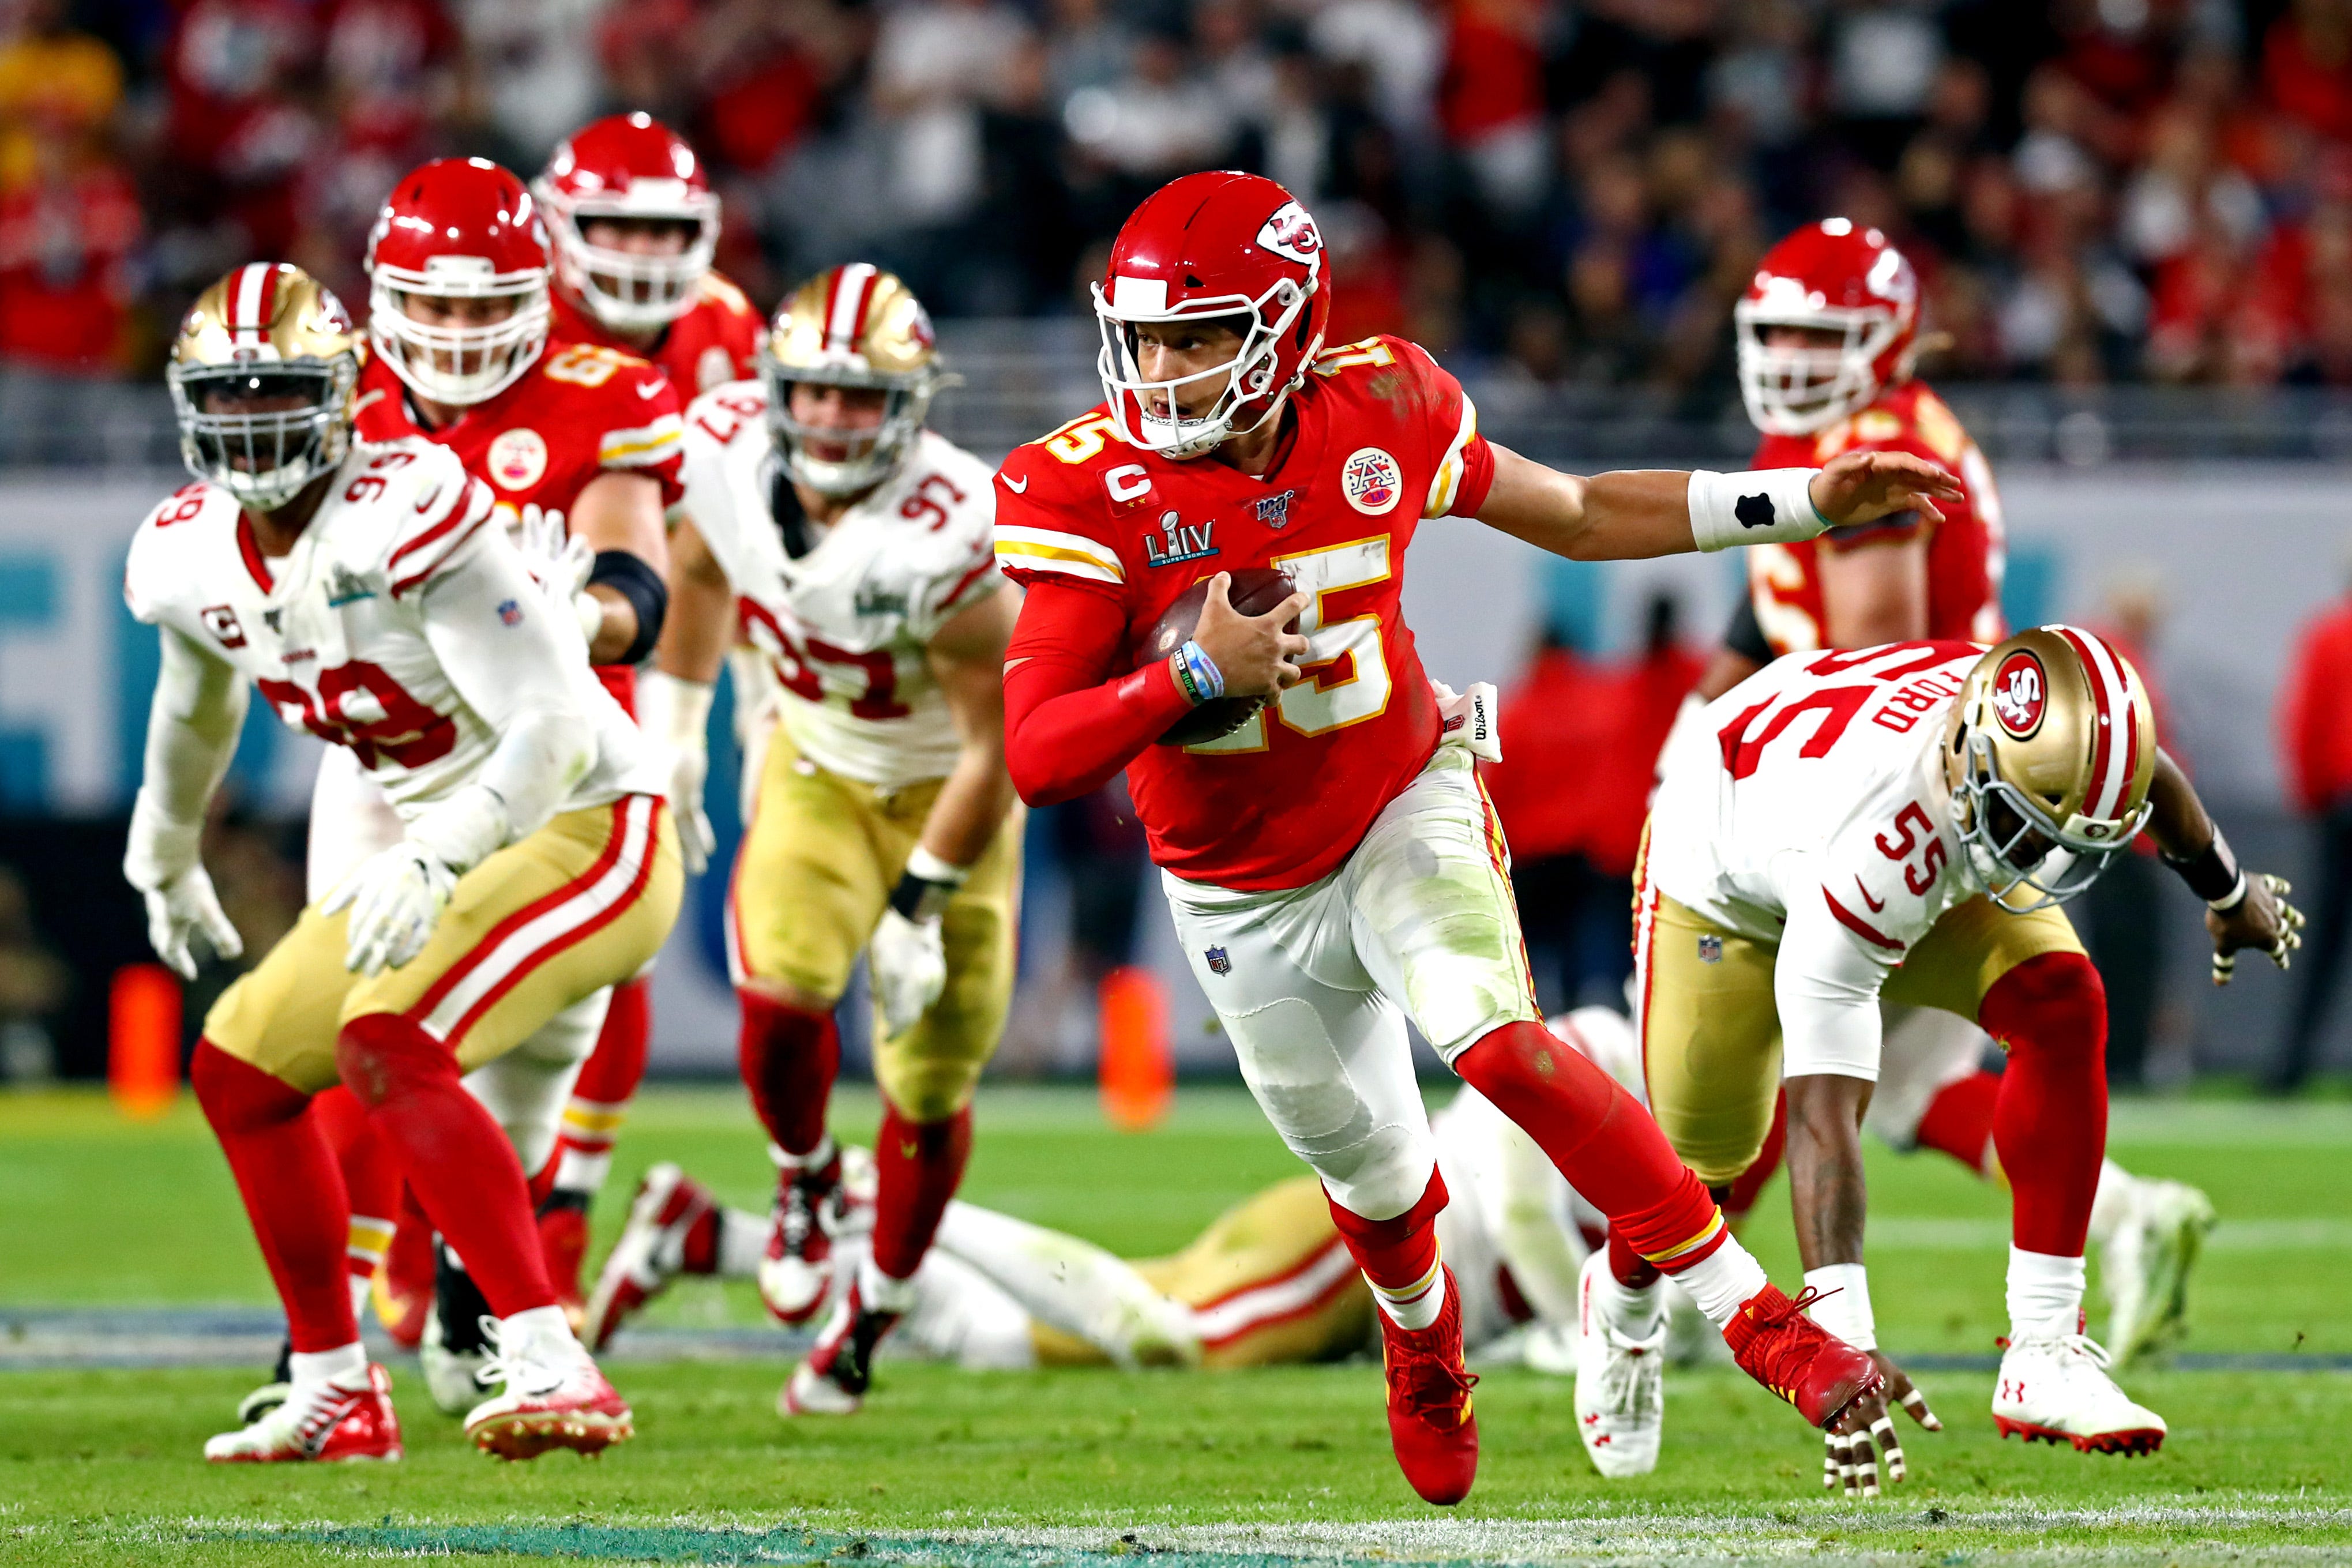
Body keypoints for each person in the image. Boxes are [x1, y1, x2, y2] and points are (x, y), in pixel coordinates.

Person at [986, 169, 1964, 1505]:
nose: (1160, 369)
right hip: (1234, 892)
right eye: (1145, 336)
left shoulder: (1380, 403)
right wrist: (1190, 679)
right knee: (1379, 1183)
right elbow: (1036, 753)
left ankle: (1761, 1324)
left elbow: (1570, 512)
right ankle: (1422, 1342)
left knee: (1498, 1037)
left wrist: (1798, 499)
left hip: (1398, 798)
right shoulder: (1079, 489)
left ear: (1285, 327)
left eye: (1200, 335)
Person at [123, 262, 681, 1462]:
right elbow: (191, 710)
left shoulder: (412, 501)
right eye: (226, 396)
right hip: (443, 838)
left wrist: (435, 861)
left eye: (279, 390)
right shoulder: (185, 549)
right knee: (237, 1069)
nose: (252, 421)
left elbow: (557, 726)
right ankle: (335, 1386)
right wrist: (163, 855)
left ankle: (549, 1358)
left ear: (341, 394)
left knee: (387, 1039)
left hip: (590, 825)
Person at [1683, 218, 2216, 1363]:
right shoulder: (1837, 436)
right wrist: (1708, 706)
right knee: (1915, 1087)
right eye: (1772, 329)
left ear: (1887, 341)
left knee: (1806, 1068)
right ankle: (2121, 1218)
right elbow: (1773, 605)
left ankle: (1685, 1297)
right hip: (1917, 794)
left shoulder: (1875, 446)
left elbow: (1862, 653)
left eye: (1815, 336)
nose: (1785, 356)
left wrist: (1735, 765)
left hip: (1898, 802)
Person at [1625, 630, 2301, 1494]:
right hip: (1718, 867)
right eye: (2023, 829)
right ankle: (1622, 1306)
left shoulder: (2032, 731)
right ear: (1969, 759)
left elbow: (2148, 769)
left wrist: (2228, 890)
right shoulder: (1873, 849)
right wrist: (1845, 1337)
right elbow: (1823, 1115)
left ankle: (2045, 1351)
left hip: (1886, 806)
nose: (2035, 857)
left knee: (2062, 996)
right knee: (1701, 1173)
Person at [646, 262, 1019, 1417]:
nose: (831, 418)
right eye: (812, 393)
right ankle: (805, 1180)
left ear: (909, 406)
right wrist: (679, 729)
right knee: (782, 987)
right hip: (813, 759)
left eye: (860, 400)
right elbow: (699, 570)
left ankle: (877, 1306)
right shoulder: (715, 449)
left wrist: (917, 903)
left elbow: (996, 747)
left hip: (946, 795)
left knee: (929, 1074)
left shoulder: (953, 524)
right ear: (775, 389)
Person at [345, 156, 685, 1355]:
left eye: (486, 304)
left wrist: (566, 614)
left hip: (559, 746)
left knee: (543, 1039)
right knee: (356, 993)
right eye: (431, 306)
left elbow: (636, 588)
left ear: (538, 297)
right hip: (394, 754)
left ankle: (474, 1253)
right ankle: (331, 1324)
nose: (455, 331)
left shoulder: (602, 391)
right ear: (386, 299)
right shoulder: (335, 403)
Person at [588, 1009, 1643, 1376]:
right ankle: (876, 1204)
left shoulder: (1729, 1127)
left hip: (1386, 1279)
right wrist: (1579, 1325)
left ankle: (711, 1237)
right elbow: (1510, 1190)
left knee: (1031, 1341)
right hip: (1370, 1240)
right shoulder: (1624, 1045)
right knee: (1160, 1335)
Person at [534, 111, 765, 398]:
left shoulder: (726, 322)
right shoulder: (525, 329)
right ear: (558, 225)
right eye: (618, 227)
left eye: (660, 230)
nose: (641, 250)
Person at [2273, 574, 2352, 1092]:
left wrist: (2309, 794)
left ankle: (2292, 1066)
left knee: (2324, 940)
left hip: (2341, 801)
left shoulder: (2328, 635)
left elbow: (2303, 717)